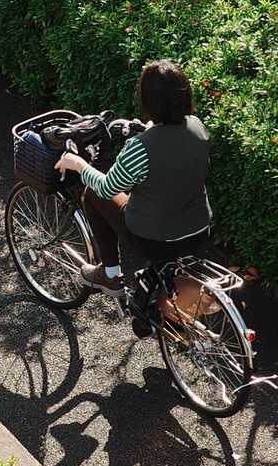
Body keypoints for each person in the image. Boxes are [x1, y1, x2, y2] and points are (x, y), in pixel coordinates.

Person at [54, 58, 211, 293]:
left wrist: (78, 164)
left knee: (94, 193)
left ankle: (109, 275)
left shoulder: (141, 147)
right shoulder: (197, 126)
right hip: (199, 229)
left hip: (155, 240)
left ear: (148, 101)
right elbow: (174, 155)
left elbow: (107, 187)